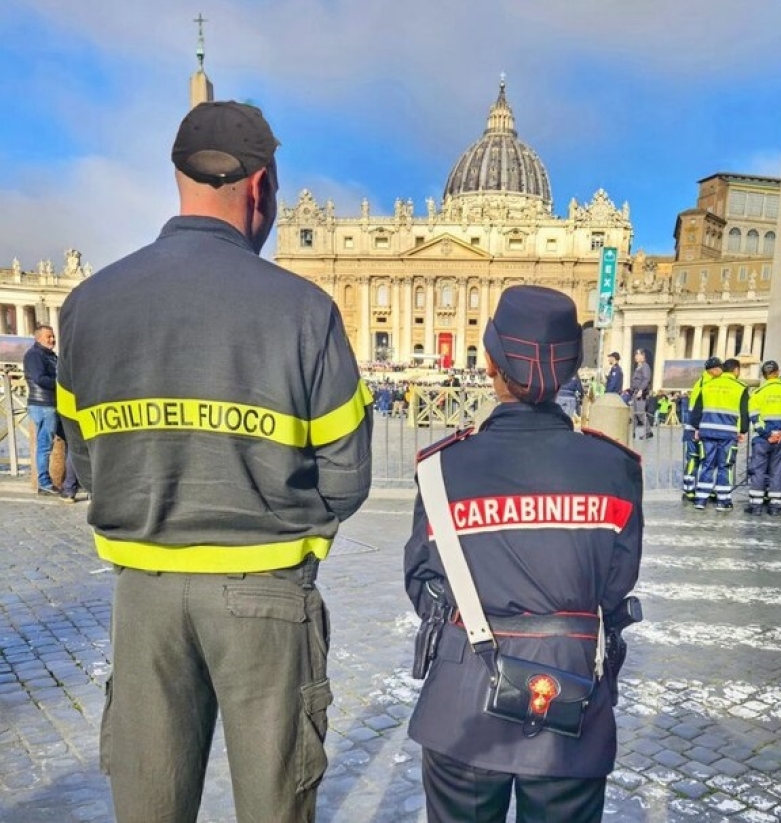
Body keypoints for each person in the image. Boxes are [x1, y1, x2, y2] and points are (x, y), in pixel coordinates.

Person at [57, 101, 373, 823]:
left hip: (144, 596)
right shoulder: (303, 310)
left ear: (178, 176)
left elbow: (86, 462)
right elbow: (347, 476)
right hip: (265, 591)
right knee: (273, 807)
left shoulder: (87, 306)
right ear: (261, 186)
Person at [404, 285, 643, 823]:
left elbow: (423, 582)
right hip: (571, 689)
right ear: (571, 369)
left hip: (462, 698)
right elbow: (616, 585)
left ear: (490, 362)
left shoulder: (443, 466)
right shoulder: (615, 466)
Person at [690, 358, 749, 511]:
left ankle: (700, 499)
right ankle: (723, 501)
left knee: (706, 465)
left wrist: (697, 428)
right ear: (736, 370)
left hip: (707, 431)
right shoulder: (740, 387)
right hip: (728, 433)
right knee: (725, 466)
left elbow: (697, 409)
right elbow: (744, 412)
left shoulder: (707, 385)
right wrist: (743, 430)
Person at [746, 360, 781, 516]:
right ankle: (775, 506)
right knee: (777, 471)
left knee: (758, 471)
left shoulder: (757, 393)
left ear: (764, 375)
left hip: (762, 440)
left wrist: (768, 434)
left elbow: (755, 417)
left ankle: (756, 505)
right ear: (777, 372)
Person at [23, 325, 61, 494]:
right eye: (49, 337)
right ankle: (44, 483)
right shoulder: (35, 355)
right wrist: (60, 384)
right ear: (38, 338)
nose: (52, 339)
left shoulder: (49, 355)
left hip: (50, 404)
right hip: (43, 405)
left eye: (53, 336)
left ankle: (69, 480)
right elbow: (40, 378)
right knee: (45, 445)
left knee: (55, 442)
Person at [681, 357, 723, 502]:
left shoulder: (702, 381)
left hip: (694, 426)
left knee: (697, 459)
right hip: (697, 427)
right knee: (702, 459)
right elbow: (699, 407)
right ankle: (695, 489)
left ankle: (690, 489)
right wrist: (697, 427)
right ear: (714, 370)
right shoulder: (709, 384)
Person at [629, 348, 652, 438]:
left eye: (638, 355)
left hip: (641, 394)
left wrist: (641, 389)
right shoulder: (638, 367)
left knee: (640, 413)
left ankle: (648, 431)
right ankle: (632, 432)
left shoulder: (645, 366)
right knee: (634, 414)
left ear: (643, 356)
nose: (636, 357)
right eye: (635, 355)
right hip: (635, 393)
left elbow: (646, 379)